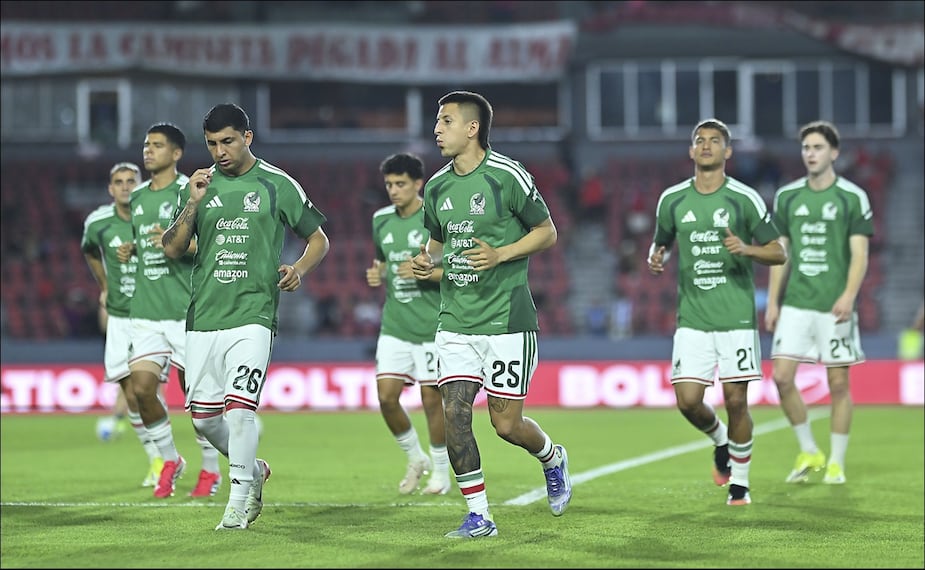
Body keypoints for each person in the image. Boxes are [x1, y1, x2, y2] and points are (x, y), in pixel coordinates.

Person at [410, 90, 572, 538]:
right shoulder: (438, 186)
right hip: (455, 322)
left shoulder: (507, 176)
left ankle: (552, 457)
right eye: (437, 121)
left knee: (505, 424)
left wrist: (501, 254)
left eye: (445, 121)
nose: (437, 129)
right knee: (454, 416)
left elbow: (547, 232)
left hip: (506, 320)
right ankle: (480, 515)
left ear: (472, 128)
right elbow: (437, 246)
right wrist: (427, 261)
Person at [162, 103, 329, 530]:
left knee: (240, 410)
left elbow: (318, 239)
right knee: (204, 420)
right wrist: (193, 203)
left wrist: (299, 270)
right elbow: (172, 248)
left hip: (254, 314)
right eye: (212, 143)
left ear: (247, 138)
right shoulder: (198, 185)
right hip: (203, 317)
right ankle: (255, 471)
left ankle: (238, 504)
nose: (219, 151)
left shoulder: (277, 184)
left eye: (228, 141)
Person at [646, 118, 786, 506]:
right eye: (700, 140)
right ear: (691, 151)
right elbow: (660, 245)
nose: (706, 146)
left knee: (737, 401)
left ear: (728, 152)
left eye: (715, 141)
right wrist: (656, 258)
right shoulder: (672, 200)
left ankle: (739, 483)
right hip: (692, 319)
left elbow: (779, 251)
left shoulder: (744, 198)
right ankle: (721, 440)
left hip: (736, 319)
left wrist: (748, 249)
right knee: (688, 400)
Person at [764, 120, 874, 485]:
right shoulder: (788, 196)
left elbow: (859, 254)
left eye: (817, 148)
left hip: (834, 305)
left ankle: (837, 462)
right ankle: (809, 450)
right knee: (781, 378)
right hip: (796, 303)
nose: (810, 154)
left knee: (839, 385)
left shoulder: (852, 197)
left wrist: (848, 295)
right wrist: (774, 302)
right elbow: (783, 252)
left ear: (834, 153)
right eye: (806, 148)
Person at [118, 123, 222, 499]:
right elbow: (141, 241)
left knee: (196, 398)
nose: (148, 151)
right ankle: (169, 459)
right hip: (146, 311)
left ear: (176, 154)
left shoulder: (190, 191)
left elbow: (207, 247)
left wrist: (173, 240)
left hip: (183, 310)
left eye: (157, 146)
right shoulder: (140, 196)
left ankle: (211, 470)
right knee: (142, 391)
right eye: (146, 145)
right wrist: (133, 248)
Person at [365, 152, 451, 496]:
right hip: (395, 326)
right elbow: (383, 261)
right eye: (389, 184)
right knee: (386, 398)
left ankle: (441, 473)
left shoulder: (435, 222)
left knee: (432, 401)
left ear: (418, 184)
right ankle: (416, 458)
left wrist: (426, 273)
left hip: (431, 327)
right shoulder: (381, 220)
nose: (394, 190)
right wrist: (379, 272)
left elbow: (454, 272)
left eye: (401, 184)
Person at [81, 162, 163, 481]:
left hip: (154, 315)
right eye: (119, 181)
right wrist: (104, 286)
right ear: (110, 188)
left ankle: (229, 427)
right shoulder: (98, 222)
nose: (126, 186)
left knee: (152, 388)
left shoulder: (156, 217)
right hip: (119, 317)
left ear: (141, 185)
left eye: (132, 180)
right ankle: (157, 459)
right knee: (131, 393)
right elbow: (89, 250)